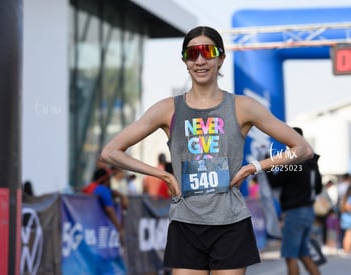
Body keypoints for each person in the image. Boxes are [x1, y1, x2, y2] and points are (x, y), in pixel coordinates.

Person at [100, 25, 313, 275]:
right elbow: (110, 152)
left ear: (221, 58)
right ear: (185, 61)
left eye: (208, 52)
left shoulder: (243, 106)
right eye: (192, 54)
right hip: (185, 223)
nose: (200, 60)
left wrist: (254, 167)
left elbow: (302, 149)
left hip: (231, 224)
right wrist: (162, 175)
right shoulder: (168, 109)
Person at [266, 127, 322, 275]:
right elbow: (319, 188)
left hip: (295, 212)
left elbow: (275, 182)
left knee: (290, 256)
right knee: (304, 254)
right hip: (309, 211)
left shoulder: (293, 161)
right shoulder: (312, 162)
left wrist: (267, 163)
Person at [92, 167, 128, 245]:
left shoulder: (95, 189)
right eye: (109, 178)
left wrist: (120, 195)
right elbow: (110, 211)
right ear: (106, 179)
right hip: (97, 232)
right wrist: (120, 229)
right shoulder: (104, 191)